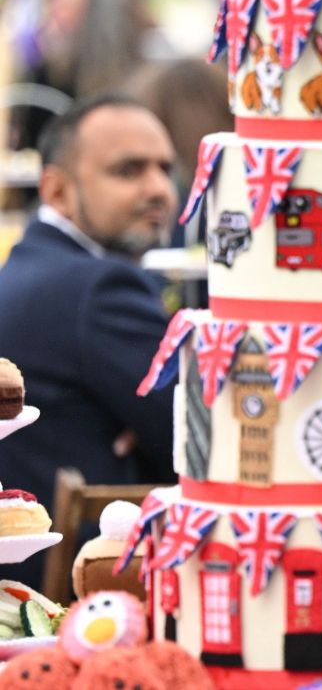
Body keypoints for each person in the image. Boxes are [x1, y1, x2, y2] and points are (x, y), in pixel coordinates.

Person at [0, 94, 179, 588]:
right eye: (128, 170)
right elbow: (197, 440)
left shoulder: (30, 268)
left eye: (165, 168)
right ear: (57, 190)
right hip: (85, 598)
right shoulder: (98, 288)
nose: (159, 188)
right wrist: (146, 435)